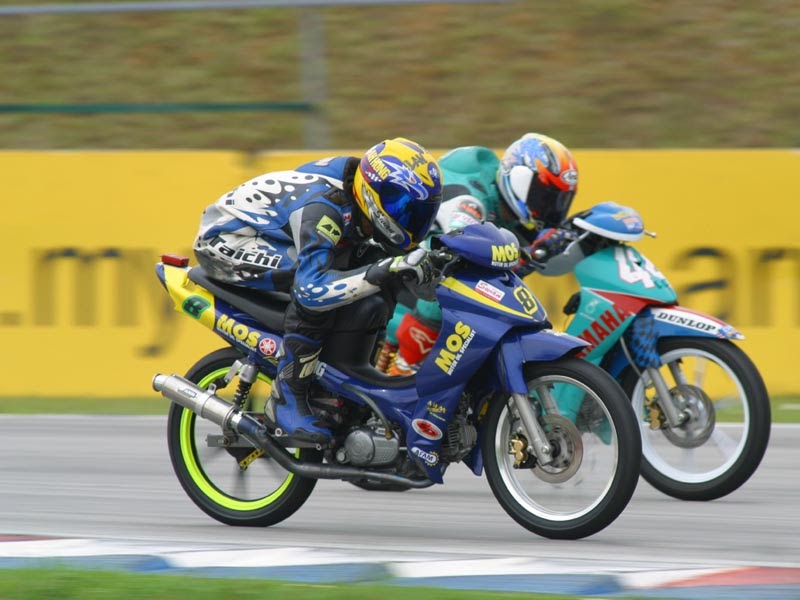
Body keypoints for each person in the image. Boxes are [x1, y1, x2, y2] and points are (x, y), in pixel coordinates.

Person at [194, 138, 443, 444]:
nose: (408, 217)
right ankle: (286, 397)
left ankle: (347, 380)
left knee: (379, 269)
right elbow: (311, 290)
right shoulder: (324, 208)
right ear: (373, 191)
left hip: (272, 235)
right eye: (400, 206)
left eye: (418, 212)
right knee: (317, 285)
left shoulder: (356, 190)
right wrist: (380, 271)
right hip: (227, 240)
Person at [382, 132, 581, 374]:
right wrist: (533, 254)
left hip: (418, 261)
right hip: (398, 263)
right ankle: (404, 368)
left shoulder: (512, 211)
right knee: (451, 282)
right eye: (545, 199)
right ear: (519, 179)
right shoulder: (473, 202)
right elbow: (462, 252)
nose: (549, 211)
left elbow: (531, 264)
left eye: (559, 203)